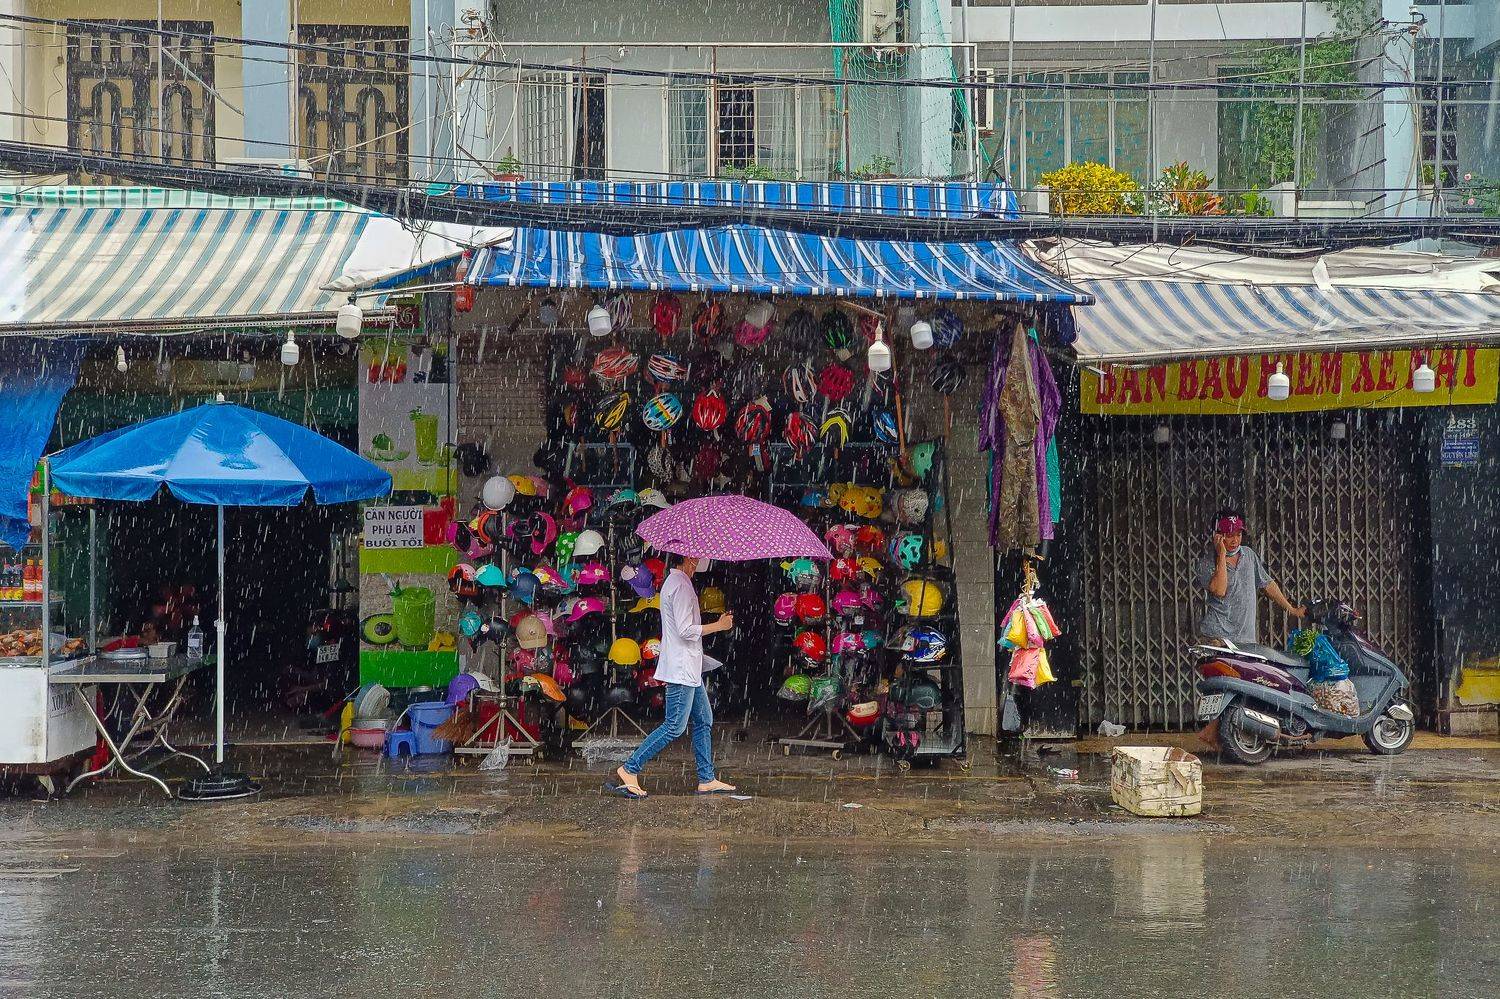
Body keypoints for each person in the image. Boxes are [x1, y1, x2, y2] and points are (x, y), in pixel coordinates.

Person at [614, 555, 737, 798]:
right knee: (674, 726)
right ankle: (630, 768)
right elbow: (685, 630)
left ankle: (706, 778)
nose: (699, 563)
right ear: (689, 559)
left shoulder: (677, 582)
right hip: (681, 669)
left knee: (704, 720)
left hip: (688, 668)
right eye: (697, 559)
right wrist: (718, 626)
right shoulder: (680, 585)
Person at [1194, 509, 1303, 646]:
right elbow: (1219, 590)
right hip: (1217, 638)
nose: (1235, 540)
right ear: (1218, 536)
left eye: (1238, 535)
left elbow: (1267, 584)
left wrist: (1291, 609)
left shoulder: (1248, 555)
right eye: (1230, 535)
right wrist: (1221, 554)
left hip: (1245, 639)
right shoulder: (1206, 563)